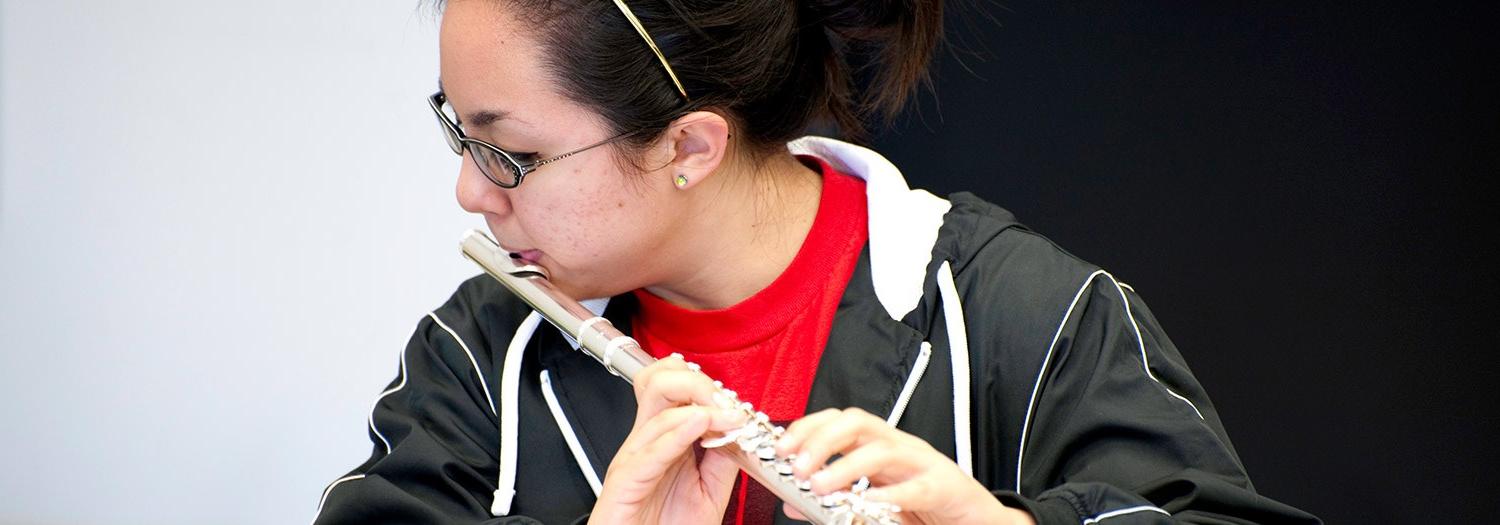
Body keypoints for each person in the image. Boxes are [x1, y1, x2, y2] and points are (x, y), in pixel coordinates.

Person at [314, 0, 1320, 523]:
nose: (473, 194)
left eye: (511, 152)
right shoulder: (482, 355)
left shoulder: (1028, 318)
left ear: (689, 147)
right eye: (462, 135)